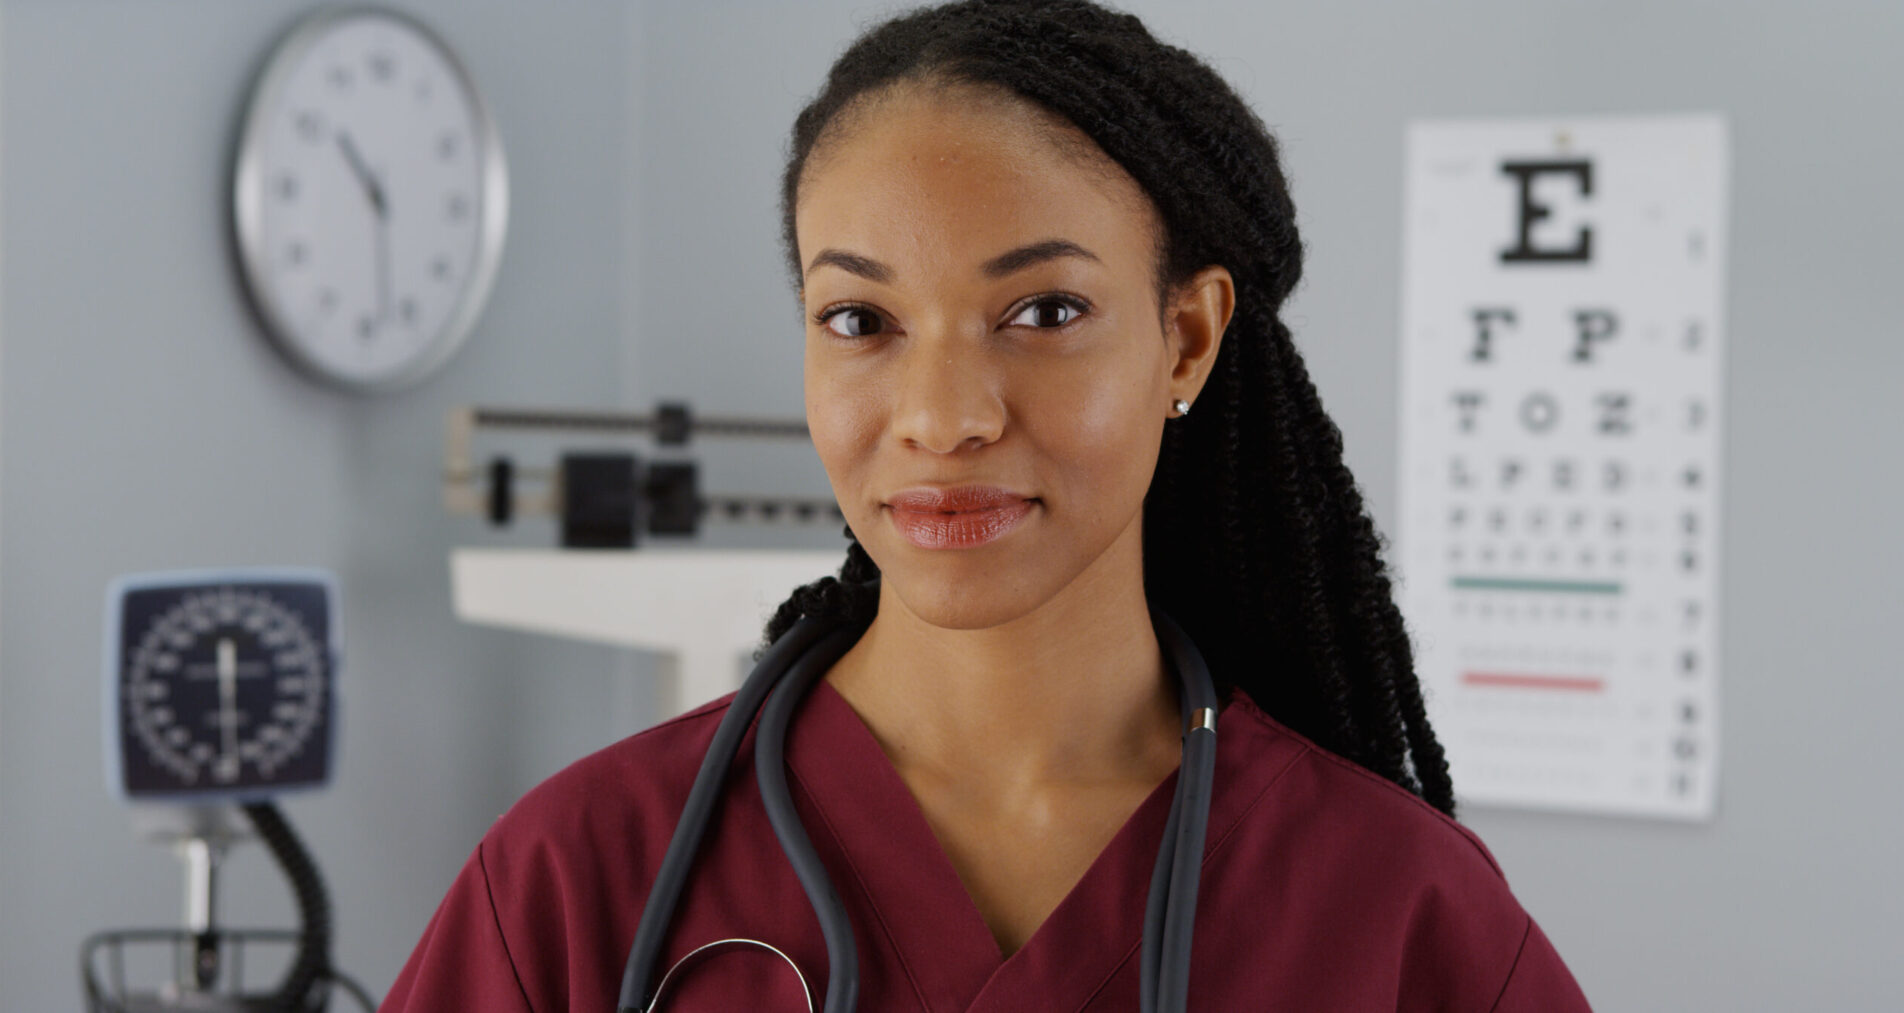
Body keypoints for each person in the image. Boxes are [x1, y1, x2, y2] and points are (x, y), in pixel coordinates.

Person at [381, 0, 1594, 1008]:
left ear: (1185, 338)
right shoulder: (581, 878)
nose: (943, 414)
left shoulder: (1389, 912)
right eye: (861, 321)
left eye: (1045, 313)